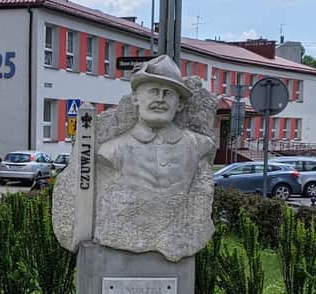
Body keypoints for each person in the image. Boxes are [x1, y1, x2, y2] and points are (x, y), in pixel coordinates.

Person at [54, 54, 216, 262]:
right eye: (153, 92)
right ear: (135, 99)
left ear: (180, 104)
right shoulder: (112, 150)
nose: (160, 99)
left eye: (168, 93)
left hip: (176, 239)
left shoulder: (198, 145)